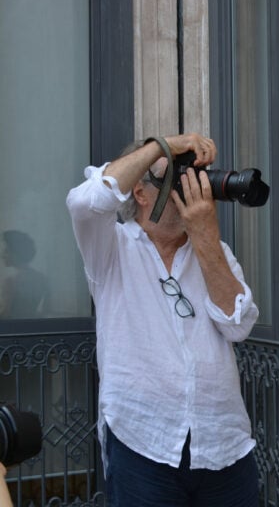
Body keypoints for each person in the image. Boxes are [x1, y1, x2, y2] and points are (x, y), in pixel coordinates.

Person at [66, 133, 261, 506]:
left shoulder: (215, 250)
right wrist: (162, 146)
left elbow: (238, 324)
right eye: (175, 174)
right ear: (140, 193)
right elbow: (85, 202)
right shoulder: (112, 247)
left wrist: (205, 235)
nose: (189, 185)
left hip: (224, 444)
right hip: (143, 441)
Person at [0, 230, 48, 318]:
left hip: (13, 329)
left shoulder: (10, 282)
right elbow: (44, 311)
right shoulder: (42, 278)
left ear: (16, 252)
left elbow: (4, 315)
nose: (2, 255)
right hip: (32, 327)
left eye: (6, 251)